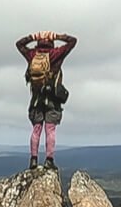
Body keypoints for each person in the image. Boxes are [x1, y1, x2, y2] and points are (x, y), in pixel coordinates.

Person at [16, 30, 76, 169]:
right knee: (50, 130)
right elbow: (73, 41)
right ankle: (49, 160)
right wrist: (57, 36)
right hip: (52, 100)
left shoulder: (32, 55)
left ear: (38, 43)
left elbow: (19, 44)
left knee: (36, 129)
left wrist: (32, 36)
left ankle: (33, 160)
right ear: (52, 43)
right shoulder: (55, 54)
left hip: (36, 101)